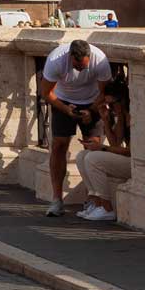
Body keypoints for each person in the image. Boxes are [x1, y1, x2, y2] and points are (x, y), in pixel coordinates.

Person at [40, 37, 112, 216]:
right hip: (62, 100)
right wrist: (66, 109)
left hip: (93, 100)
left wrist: (91, 110)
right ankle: (57, 199)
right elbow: (46, 93)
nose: (81, 70)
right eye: (77, 67)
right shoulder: (55, 60)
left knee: (93, 147)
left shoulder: (100, 60)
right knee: (59, 145)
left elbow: (105, 92)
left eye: (84, 67)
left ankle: (93, 200)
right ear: (70, 57)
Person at [74, 79, 131, 222]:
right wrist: (106, 120)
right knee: (82, 155)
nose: (110, 108)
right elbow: (116, 143)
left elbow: (132, 152)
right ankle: (96, 203)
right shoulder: (121, 116)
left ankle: (107, 208)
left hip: (137, 165)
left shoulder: (134, 117)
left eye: (111, 104)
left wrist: (103, 148)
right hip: (128, 160)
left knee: (93, 159)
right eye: (108, 104)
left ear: (122, 100)